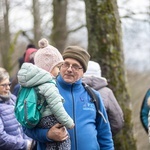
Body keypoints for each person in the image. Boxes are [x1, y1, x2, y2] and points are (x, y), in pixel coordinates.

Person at [22, 45, 114, 150]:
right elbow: (26, 128)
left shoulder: (93, 96)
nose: (69, 69)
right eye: (66, 64)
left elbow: (105, 135)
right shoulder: (44, 91)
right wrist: (47, 134)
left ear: (83, 71)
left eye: (75, 66)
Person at [17, 38, 75, 150]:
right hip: (50, 118)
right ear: (49, 67)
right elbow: (56, 107)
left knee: (52, 145)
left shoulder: (32, 83)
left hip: (39, 119)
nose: (59, 71)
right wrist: (69, 122)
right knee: (64, 140)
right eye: (58, 67)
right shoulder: (48, 85)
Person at [82, 60, 124, 136]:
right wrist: (104, 135)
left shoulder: (73, 90)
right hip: (100, 140)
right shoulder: (107, 92)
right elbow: (118, 122)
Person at [0, 67, 33, 150]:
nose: (8, 88)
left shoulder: (14, 99)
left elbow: (24, 124)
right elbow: (1, 138)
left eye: (9, 84)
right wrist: (25, 144)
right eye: (4, 85)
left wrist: (30, 141)